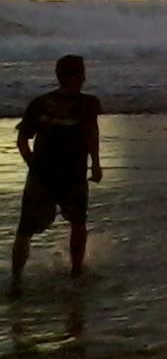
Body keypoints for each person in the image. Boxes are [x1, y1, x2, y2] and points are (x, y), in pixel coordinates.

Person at [11, 55, 102, 295]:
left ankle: (16, 280)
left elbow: (22, 141)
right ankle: (76, 271)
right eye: (82, 71)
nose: (84, 75)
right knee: (78, 223)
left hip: (43, 174)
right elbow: (92, 133)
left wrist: (34, 166)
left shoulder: (40, 103)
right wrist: (96, 164)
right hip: (73, 173)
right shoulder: (88, 104)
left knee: (25, 229)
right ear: (77, 76)